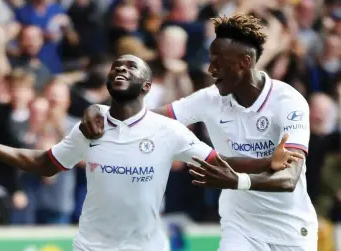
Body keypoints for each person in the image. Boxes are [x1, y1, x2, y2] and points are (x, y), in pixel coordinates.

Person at [0, 54, 301, 251]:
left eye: (131, 67)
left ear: (147, 87)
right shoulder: (91, 126)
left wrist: (266, 162)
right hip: (92, 246)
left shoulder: (168, 131)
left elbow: (218, 162)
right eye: (116, 65)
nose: (121, 68)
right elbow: (44, 163)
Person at [80, 15, 318, 251]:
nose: (210, 69)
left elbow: (289, 178)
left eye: (218, 62)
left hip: (290, 230)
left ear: (244, 62)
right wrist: (99, 110)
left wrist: (237, 181)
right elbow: (144, 118)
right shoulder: (210, 99)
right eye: (210, 60)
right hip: (241, 228)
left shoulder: (287, 101)